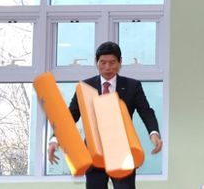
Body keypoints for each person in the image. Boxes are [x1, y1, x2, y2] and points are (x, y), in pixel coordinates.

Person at [48, 41, 163, 188]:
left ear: (120, 62)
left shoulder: (132, 86)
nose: (107, 67)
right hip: (94, 152)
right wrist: (55, 139)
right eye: (103, 62)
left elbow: (146, 111)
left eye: (112, 62)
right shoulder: (85, 86)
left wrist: (154, 133)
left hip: (122, 153)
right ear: (96, 62)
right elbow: (70, 116)